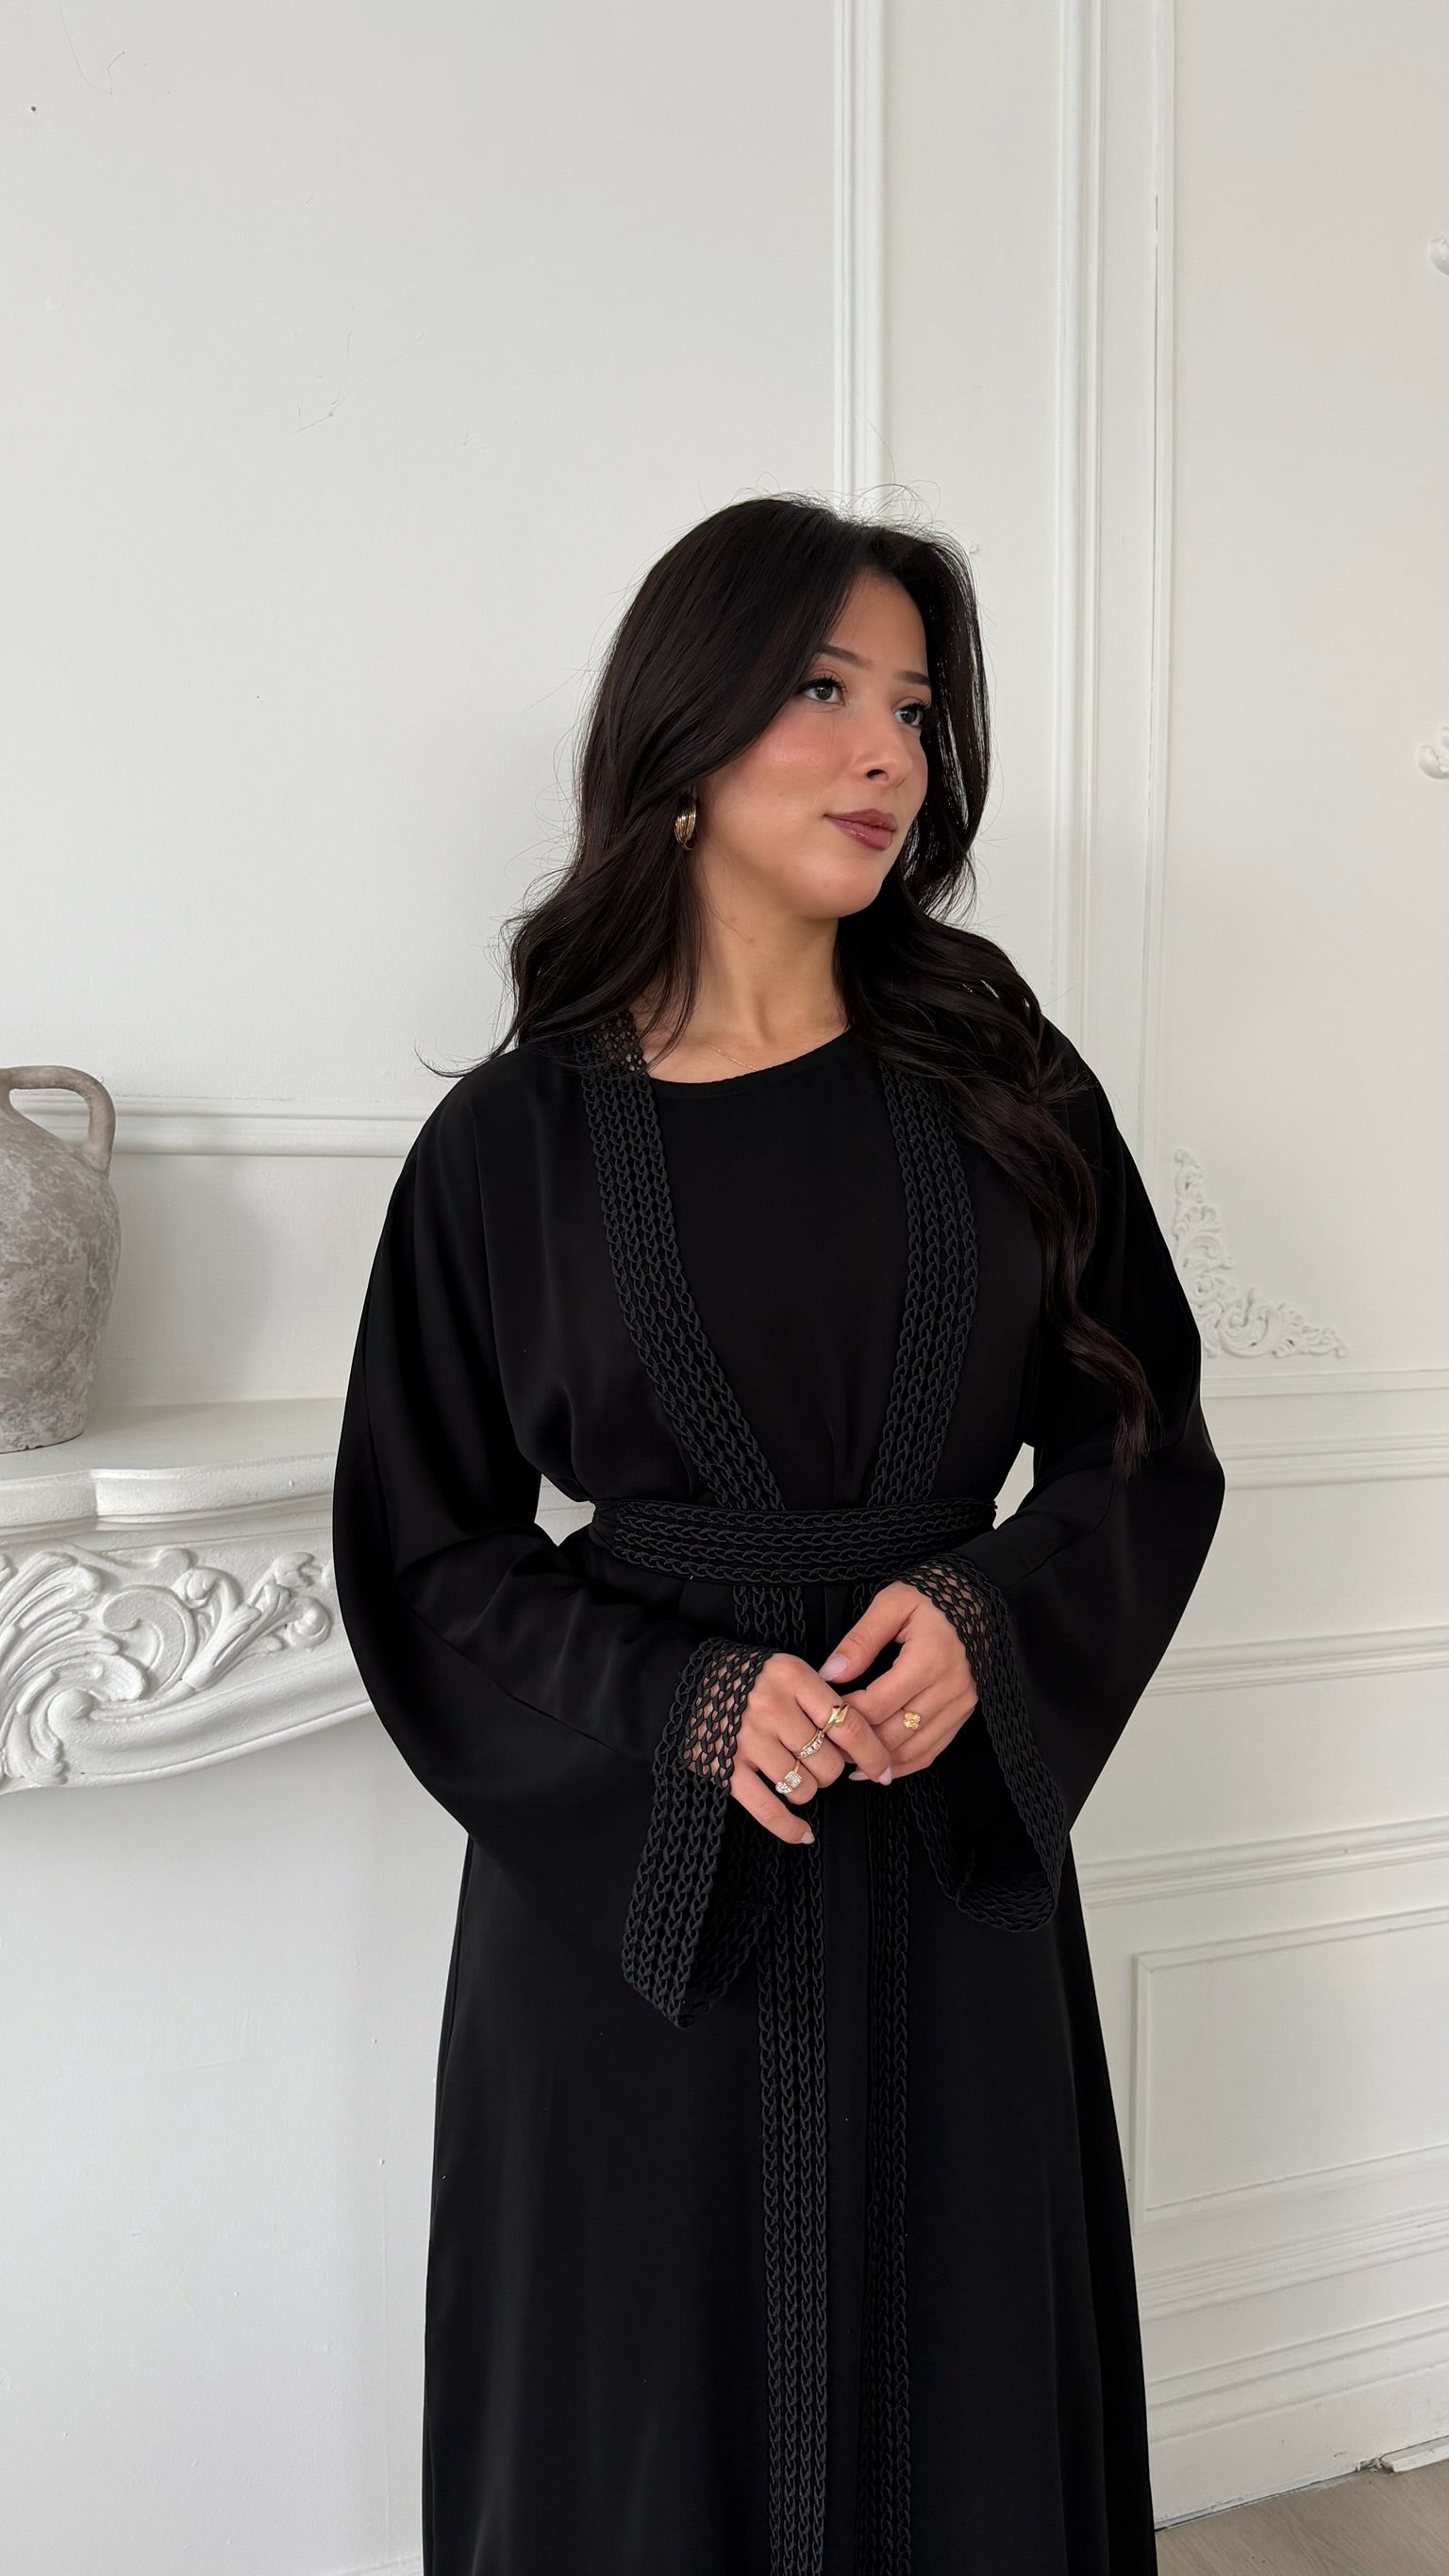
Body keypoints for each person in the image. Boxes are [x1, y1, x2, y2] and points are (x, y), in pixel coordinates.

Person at [330, 492, 1226, 2576]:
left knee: (960, 2402)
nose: (885, 751)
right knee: (639, 2419)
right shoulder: (513, 1141)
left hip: (949, 1853)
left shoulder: (1000, 1074)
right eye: (825, 690)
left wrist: (985, 1612)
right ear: (687, 725)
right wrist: (683, 1697)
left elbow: (1143, 1436)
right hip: (637, 1922)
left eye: (912, 705)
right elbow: (428, 1548)